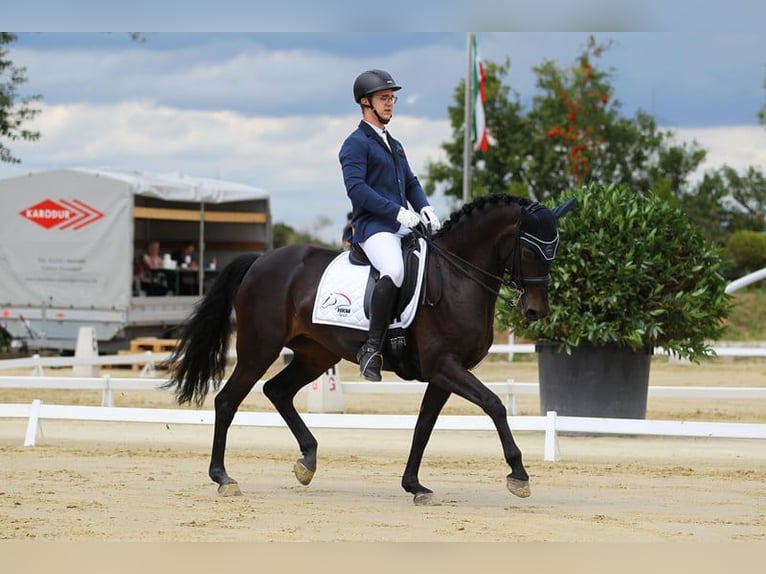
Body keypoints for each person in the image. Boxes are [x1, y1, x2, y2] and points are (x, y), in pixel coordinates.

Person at [339, 69, 442, 381]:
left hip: (401, 224)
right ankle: (371, 347)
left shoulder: (394, 144)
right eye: (384, 98)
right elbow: (357, 190)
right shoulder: (355, 144)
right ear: (365, 102)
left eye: (391, 98)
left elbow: (410, 182)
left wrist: (425, 208)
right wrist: (398, 213)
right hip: (374, 227)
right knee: (394, 270)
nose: (390, 104)